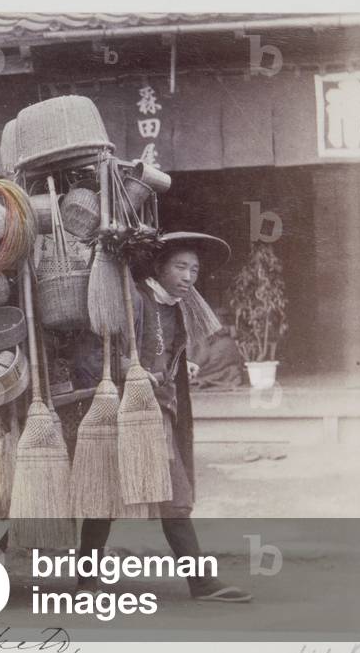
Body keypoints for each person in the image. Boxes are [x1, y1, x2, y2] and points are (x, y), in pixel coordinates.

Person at [74, 231, 252, 603]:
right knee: (106, 495)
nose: (189, 276)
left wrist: (175, 366)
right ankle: (87, 583)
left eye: (195, 269)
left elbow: (164, 351)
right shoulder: (133, 300)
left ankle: (199, 582)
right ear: (159, 267)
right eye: (181, 266)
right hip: (125, 412)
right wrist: (132, 370)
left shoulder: (175, 307)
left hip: (160, 413)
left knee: (174, 495)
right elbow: (93, 354)